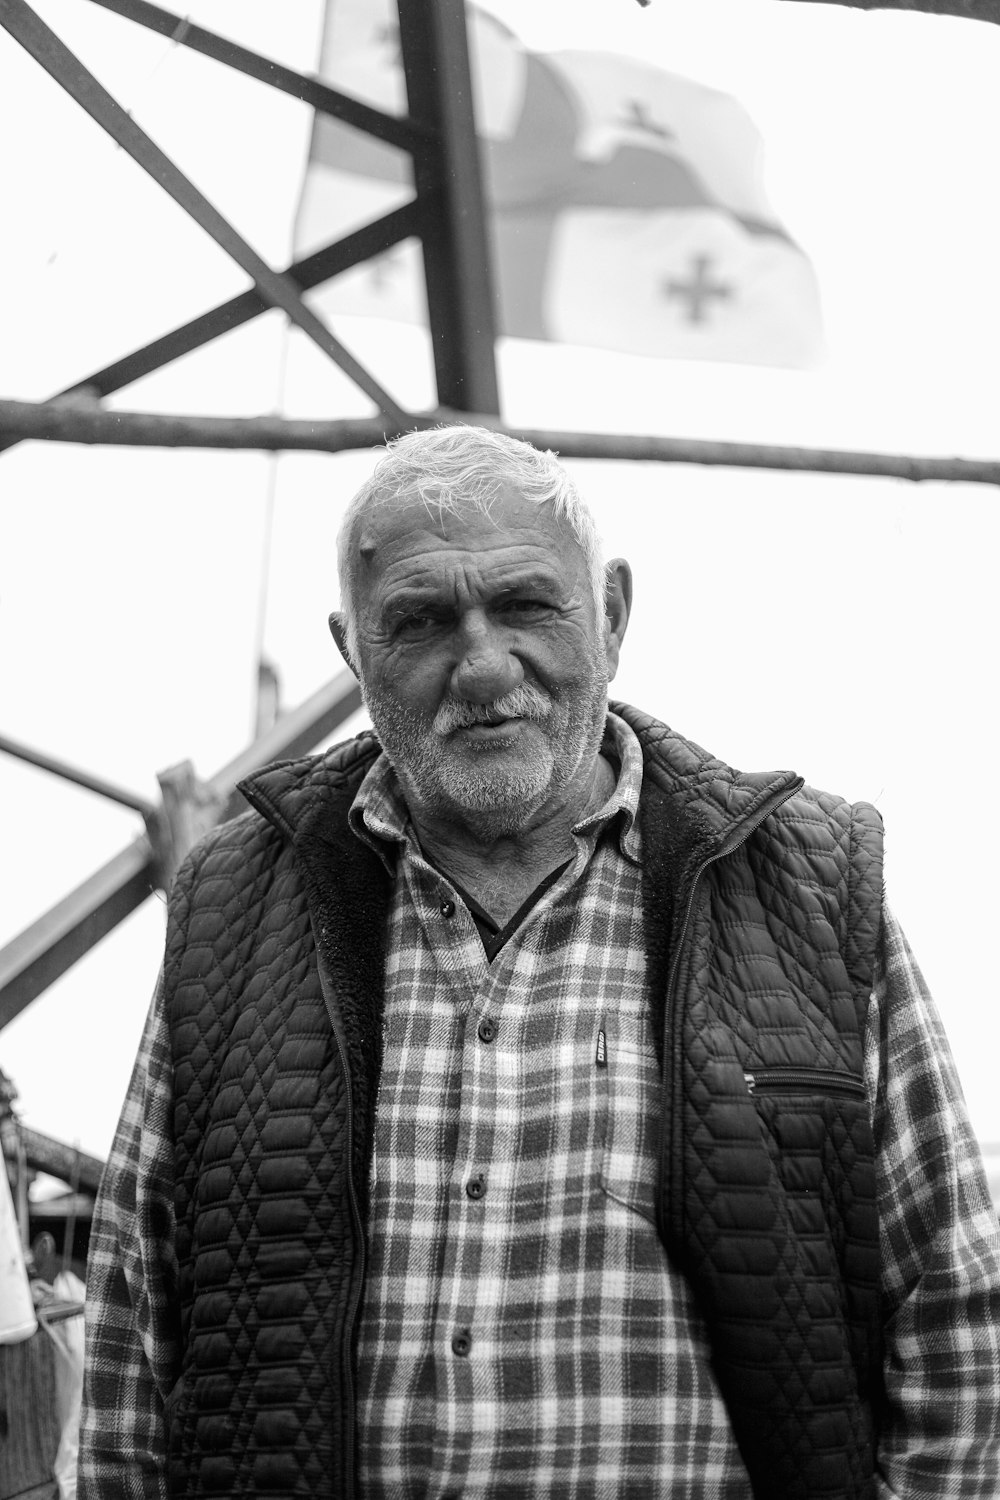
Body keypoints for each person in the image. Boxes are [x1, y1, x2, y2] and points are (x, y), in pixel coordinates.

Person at [78, 425, 1000, 1500]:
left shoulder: (803, 888)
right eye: (418, 622)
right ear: (351, 649)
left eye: (524, 605)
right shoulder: (240, 903)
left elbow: (958, 1325)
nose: (480, 665)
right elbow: (130, 1357)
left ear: (610, 612)